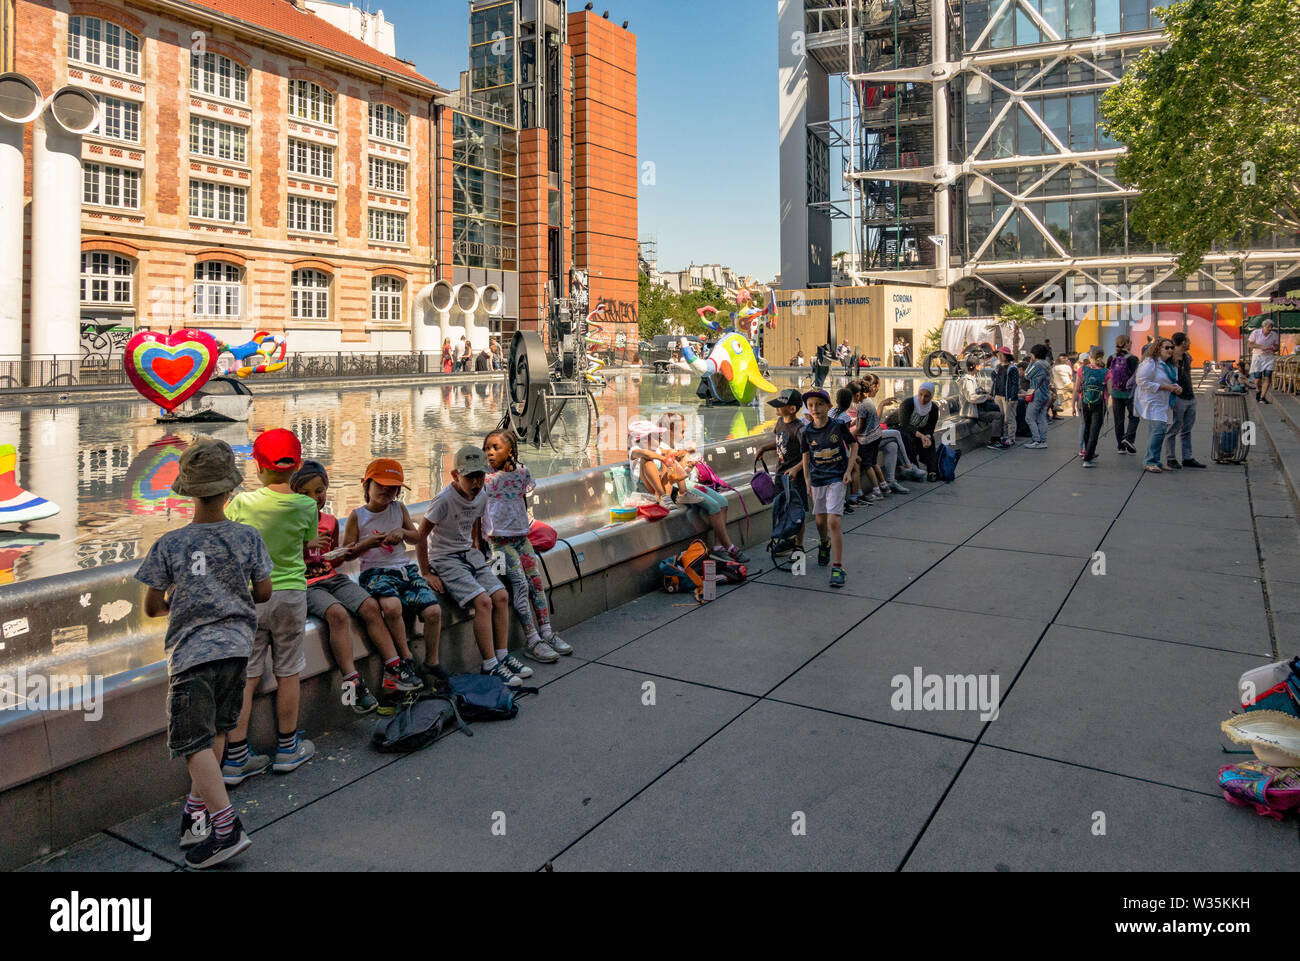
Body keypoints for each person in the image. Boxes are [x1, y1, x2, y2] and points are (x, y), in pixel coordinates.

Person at [136, 438, 271, 868]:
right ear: (229, 489)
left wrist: (185, 598)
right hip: (237, 650)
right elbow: (264, 591)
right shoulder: (248, 537)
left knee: (191, 741)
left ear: (187, 491)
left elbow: (152, 607)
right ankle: (197, 814)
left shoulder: (170, 544)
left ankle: (227, 828)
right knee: (213, 733)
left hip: (192, 653)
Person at [222, 428, 318, 784]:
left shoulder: (242, 504)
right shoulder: (307, 505)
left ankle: (235, 758)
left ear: (257, 466)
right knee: (288, 671)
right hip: (291, 594)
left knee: (245, 676)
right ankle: (287, 748)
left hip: (250, 595)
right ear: (298, 466)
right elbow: (308, 547)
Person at [290, 460, 422, 716]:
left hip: (330, 577)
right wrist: (305, 546)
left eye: (318, 491)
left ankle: (394, 669)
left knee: (371, 606)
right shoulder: (289, 523)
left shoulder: (329, 521)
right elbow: (282, 559)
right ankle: (352, 681)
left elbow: (336, 560)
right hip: (304, 582)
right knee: (337, 614)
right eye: (304, 493)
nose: (313, 498)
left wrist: (349, 550)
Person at [416, 446, 526, 687]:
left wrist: (476, 546)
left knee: (501, 595)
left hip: (469, 554)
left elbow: (475, 521)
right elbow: (420, 536)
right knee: (483, 601)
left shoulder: (482, 495)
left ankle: (502, 655)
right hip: (445, 557)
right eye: (470, 477)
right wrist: (425, 571)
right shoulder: (443, 500)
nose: (476, 482)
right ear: (456, 476)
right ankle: (489, 665)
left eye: (480, 476)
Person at [344, 459, 445, 700]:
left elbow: (416, 537)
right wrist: (366, 544)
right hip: (375, 572)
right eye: (381, 485)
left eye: (393, 488)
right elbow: (346, 552)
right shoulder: (358, 516)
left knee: (433, 611)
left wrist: (403, 532)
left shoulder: (398, 509)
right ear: (367, 485)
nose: (388, 492)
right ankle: (406, 658)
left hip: (403, 570)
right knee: (391, 606)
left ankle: (432, 660)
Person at [481, 429, 572, 664]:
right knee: (520, 583)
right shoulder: (484, 479)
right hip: (498, 542)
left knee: (537, 582)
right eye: (487, 448)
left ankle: (547, 632)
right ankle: (532, 640)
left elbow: (520, 502)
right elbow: (477, 512)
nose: (490, 452)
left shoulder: (523, 474)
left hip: (521, 538)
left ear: (510, 450)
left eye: (496, 448)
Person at [800, 388, 858, 589]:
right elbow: (806, 455)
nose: (815, 408)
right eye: (811, 405)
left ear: (828, 407)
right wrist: (807, 479)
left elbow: (854, 445)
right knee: (819, 521)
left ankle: (838, 566)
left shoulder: (838, 426)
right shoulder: (807, 431)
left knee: (834, 521)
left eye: (819, 404)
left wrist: (849, 470)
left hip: (836, 477)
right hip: (818, 479)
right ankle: (824, 543)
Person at [755, 387, 809, 551]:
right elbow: (780, 442)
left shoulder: (800, 429)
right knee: (781, 507)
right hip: (780, 474)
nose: (777, 407)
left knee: (797, 511)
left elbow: (809, 453)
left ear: (792, 409)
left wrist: (797, 469)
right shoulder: (779, 423)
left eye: (780, 405)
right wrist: (764, 448)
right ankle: (786, 538)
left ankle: (799, 544)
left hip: (794, 477)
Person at [1135, 337, 1182, 473]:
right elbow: (1142, 381)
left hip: (1164, 401)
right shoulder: (1150, 362)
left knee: (1159, 431)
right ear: (1158, 349)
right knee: (1158, 429)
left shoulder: (1170, 365)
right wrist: (1166, 387)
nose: (1170, 350)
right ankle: (1150, 461)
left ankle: (1155, 460)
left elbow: (1171, 381)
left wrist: (1176, 387)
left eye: (1172, 347)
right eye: (1166, 347)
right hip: (1152, 400)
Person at [1164, 331, 1207, 469]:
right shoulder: (1170, 357)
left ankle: (1187, 457)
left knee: (1187, 429)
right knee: (1173, 428)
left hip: (1190, 396)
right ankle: (1171, 457)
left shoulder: (1187, 356)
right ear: (1183, 343)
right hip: (1178, 398)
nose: (1190, 343)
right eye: (1188, 341)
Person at [899, 382, 941, 480]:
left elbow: (930, 427)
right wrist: (922, 436)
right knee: (908, 438)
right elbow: (904, 425)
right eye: (921, 394)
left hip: (918, 431)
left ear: (931, 396)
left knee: (931, 441)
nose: (922, 399)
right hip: (901, 429)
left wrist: (927, 437)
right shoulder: (908, 403)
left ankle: (932, 471)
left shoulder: (933, 408)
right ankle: (914, 468)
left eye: (926, 396)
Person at [853, 376, 887, 502]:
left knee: (866, 464)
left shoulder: (862, 406)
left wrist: (852, 433)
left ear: (857, 395)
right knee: (874, 462)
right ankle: (884, 485)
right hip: (876, 436)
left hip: (867, 439)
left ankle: (877, 491)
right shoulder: (869, 401)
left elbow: (861, 427)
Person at [1106, 335, 1140, 454]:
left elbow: (1108, 375)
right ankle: (1129, 438)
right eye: (1130, 342)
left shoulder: (1111, 358)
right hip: (1129, 394)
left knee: (1118, 420)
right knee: (1134, 417)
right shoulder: (1133, 359)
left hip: (1116, 393)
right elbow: (1137, 377)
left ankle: (1120, 446)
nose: (1131, 344)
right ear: (1126, 343)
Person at [1076, 347, 1109, 468]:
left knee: (1087, 428)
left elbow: (1077, 389)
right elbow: (1109, 391)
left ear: (1090, 357)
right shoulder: (1106, 371)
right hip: (1099, 403)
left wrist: (1075, 403)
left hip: (1085, 401)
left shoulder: (1082, 370)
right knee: (1095, 431)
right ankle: (1088, 458)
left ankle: (1086, 453)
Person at [960, 358, 1003, 441]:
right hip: (972, 411)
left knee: (998, 409)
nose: (981, 366)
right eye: (979, 365)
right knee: (998, 415)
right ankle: (994, 440)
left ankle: (997, 438)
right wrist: (986, 397)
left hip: (978, 408)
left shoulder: (973, 378)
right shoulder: (967, 380)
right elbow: (971, 397)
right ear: (975, 366)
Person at [987, 346, 1019, 450]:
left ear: (1007, 356)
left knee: (1009, 418)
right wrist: (992, 394)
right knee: (1002, 418)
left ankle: (1011, 438)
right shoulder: (998, 367)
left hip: (1008, 397)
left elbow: (1015, 384)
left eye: (1001, 354)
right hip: (998, 396)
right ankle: (1005, 436)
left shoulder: (1012, 368)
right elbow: (994, 381)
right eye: (998, 354)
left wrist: (1013, 398)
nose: (999, 356)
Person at [1022, 345, 1052, 449]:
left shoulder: (1038, 365)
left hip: (1037, 394)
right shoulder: (1047, 364)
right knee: (1042, 418)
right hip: (1045, 393)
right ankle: (1043, 441)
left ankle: (1036, 440)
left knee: (1029, 417)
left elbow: (1026, 375)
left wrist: (1031, 362)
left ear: (1035, 354)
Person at [1249, 317, 1279, 404]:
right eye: (1268, 327)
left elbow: (1277, 346)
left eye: (1271, 327)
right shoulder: (1255, 332)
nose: (1270, 329)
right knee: (1258, 379)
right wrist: (1261, 347)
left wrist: (1274, 348)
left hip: (1269, 357)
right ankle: (1258, 390)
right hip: (1258, 357)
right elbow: (1250, 344)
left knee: (1268, 376)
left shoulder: (1274, 334)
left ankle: (1263, 397)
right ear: (1263, 326)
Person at [1051, 354, 1074, 420]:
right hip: (1067, 384)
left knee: (1058, 395)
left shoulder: (1054, 367)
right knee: (1077, 389)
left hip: (1057, 385)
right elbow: (1071, 377)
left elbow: (1052, 377)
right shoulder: (1067, 367)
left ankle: (1057, 406)